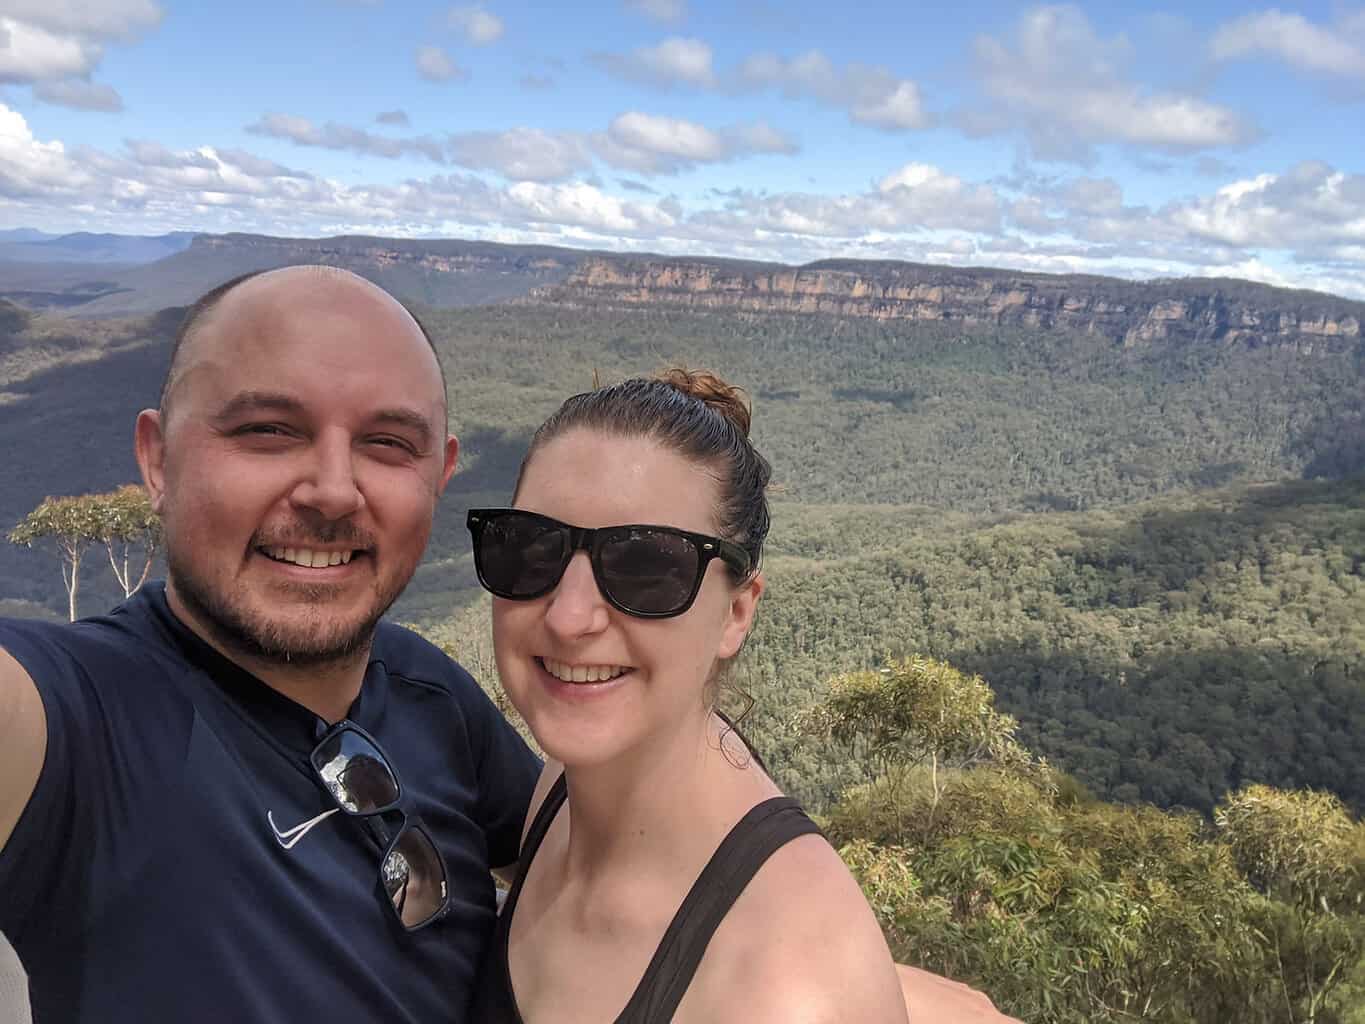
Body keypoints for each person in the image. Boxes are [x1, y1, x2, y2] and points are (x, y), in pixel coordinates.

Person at [0, 266, 1019, 1023]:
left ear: (435, 475)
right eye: (265, 429)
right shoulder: (80, 723)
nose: (329, 488)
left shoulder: (425, 694)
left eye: (648, 566)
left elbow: (720, 913)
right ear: (156, 457)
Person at [466, 370, 1012, 1023]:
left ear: (736, 614)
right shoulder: (566, 779)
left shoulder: (785, 990)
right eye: (529, 548)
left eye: (645, 566)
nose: (568, 616)